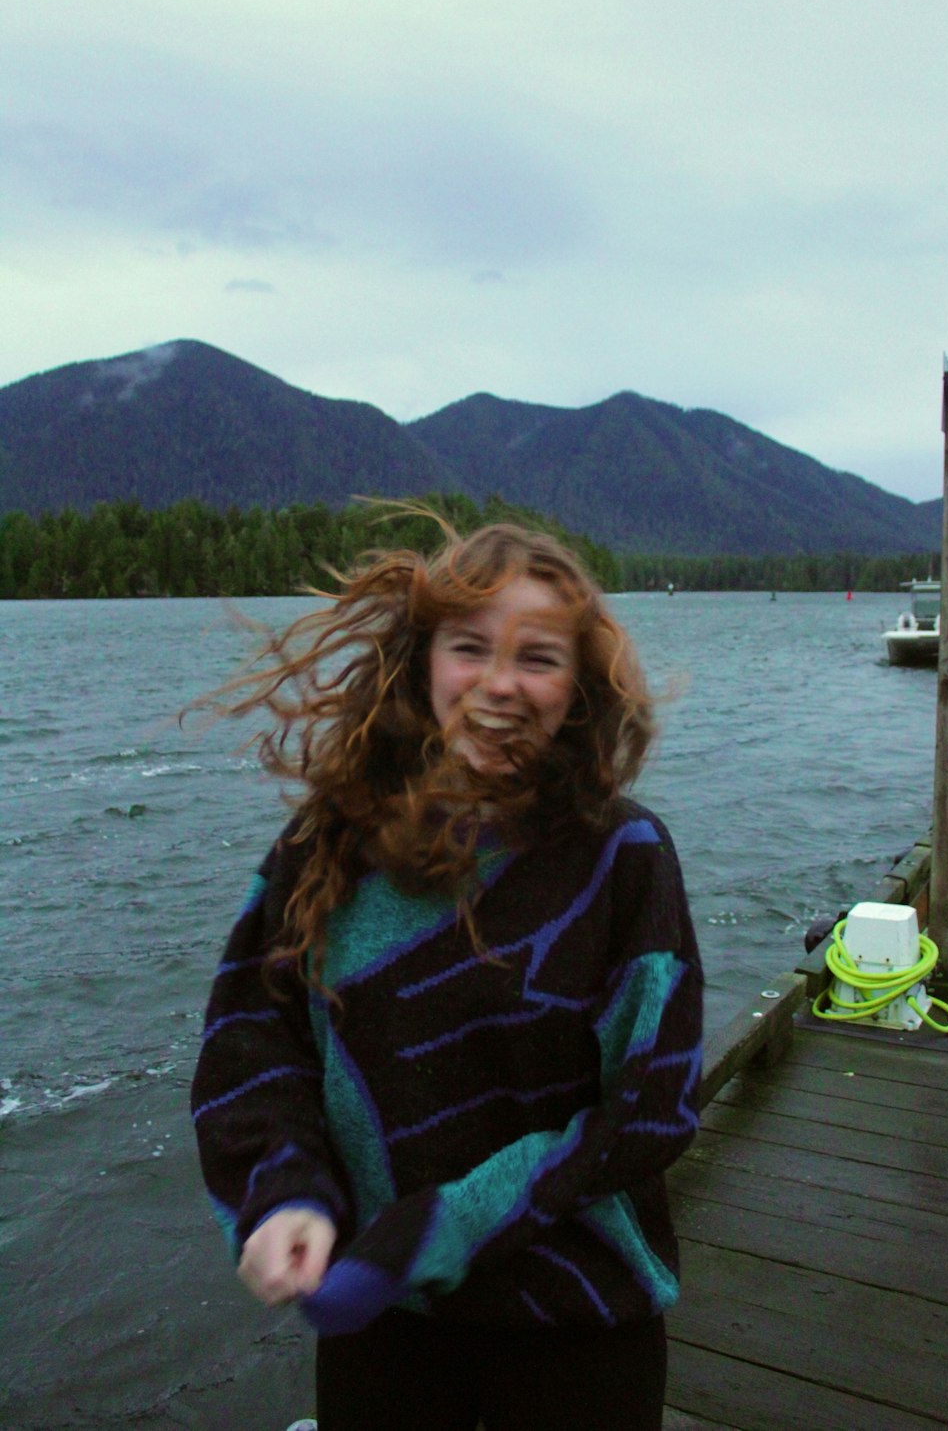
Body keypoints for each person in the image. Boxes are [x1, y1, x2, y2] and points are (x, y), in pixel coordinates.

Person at [190, 516, 703, 1431]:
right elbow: (251, 1038)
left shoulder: (623, 856)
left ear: (580, 687)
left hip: (576, 1317)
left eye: (538, 659)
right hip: (383, 1320)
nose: (500, 684)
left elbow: (652, 1107)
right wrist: (284, 1188)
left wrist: (443, 1228)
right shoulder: (329, 841)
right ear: (422, 662)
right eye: (469, 648)